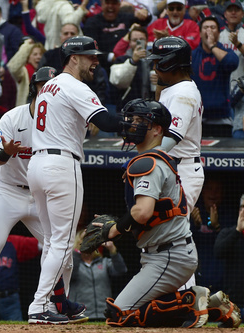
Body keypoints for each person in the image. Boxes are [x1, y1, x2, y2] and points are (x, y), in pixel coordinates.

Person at [92, 98, 240, 329]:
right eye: (132, 119)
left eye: (140, 120)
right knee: (145, 310)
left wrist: (115, 229)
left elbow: (142, 213)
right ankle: (210, 306)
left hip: (168, 256)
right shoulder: (158, 159)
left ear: (157, 129)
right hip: (169, 252)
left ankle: (191, 302)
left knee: (119, 315)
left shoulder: (149, 162)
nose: (132, 124)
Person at [0, 66, 88, 324]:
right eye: (42, 85)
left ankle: (52, 305)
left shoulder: (63, 120)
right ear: (34, 89)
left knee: (63, 251)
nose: (47, 90)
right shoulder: (13, 118)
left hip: (40, 194)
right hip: (8, 190)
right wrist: (6, 152)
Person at [26, 36, 123, 324]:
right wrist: (132, 120)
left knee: (52, 242)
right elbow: (104, 122)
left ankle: (57, 301)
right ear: (72, 58)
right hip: (61, 165)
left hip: (37, 165)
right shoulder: (74, 85)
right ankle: (39, 306)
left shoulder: (48, 88)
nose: (95, 60)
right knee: (63, 243)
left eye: (95, 55)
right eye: (89, 56)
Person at [146, 36, 204, 289]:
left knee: (172, 237)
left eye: (158, 62)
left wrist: (147, 160)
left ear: (171, 64)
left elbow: (172, 137)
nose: (155, 68)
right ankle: (185, 296)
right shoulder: (174, 88)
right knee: (167, 235)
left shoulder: (183, 93)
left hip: (180, 168)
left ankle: (188, 296)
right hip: (174, 167)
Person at [191, 16, 239, 137]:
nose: (209, 31)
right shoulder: (192, 55)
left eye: (213, 28)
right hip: (197, 120)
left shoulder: (225, 52)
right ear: (200, 32)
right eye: (205, 27)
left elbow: (232, 63)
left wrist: (212, 46)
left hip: (222, 119)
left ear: (218, 32)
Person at [69, 231, 127, 320]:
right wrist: (78, 250)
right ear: (78, 241)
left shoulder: (104, 262)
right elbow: (72, 275)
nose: (88, 241)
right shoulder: (73, 263)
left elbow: (121, 271)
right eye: (85, 238)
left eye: (91, 238)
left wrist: (113, 250)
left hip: (103, 315)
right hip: (80, 316)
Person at [109, 26, 151, 110]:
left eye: (142, 39)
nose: (138, 43)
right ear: (130, 42)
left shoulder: (154, 60)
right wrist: (132, 61)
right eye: (135, 40)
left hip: (150, 107)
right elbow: (118, 81)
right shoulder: (120, 60)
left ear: (147, 41)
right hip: (127, 108)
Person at [214, 194, 244, 311]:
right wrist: (238, 231)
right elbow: (218, 252)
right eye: (242, 207)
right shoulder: (228, 233)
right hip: (232, 305)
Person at [7, 38, 45, 107]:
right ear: (28, 57)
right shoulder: (24, 72)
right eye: (35, 54)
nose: (38, 57)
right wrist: (26, 47)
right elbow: (12, 67)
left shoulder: (48, 73)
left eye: (40, 54)